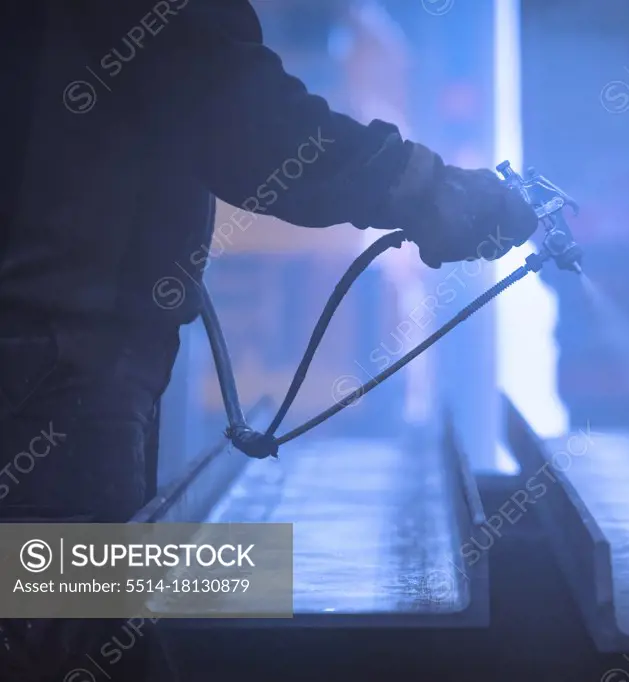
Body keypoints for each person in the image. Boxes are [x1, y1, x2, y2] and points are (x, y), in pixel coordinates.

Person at [0, 1, 538, 679]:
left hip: (56, 352)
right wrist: (421, 186)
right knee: (61, 627)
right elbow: (230, 107)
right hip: (48, 359)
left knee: (76, 611)